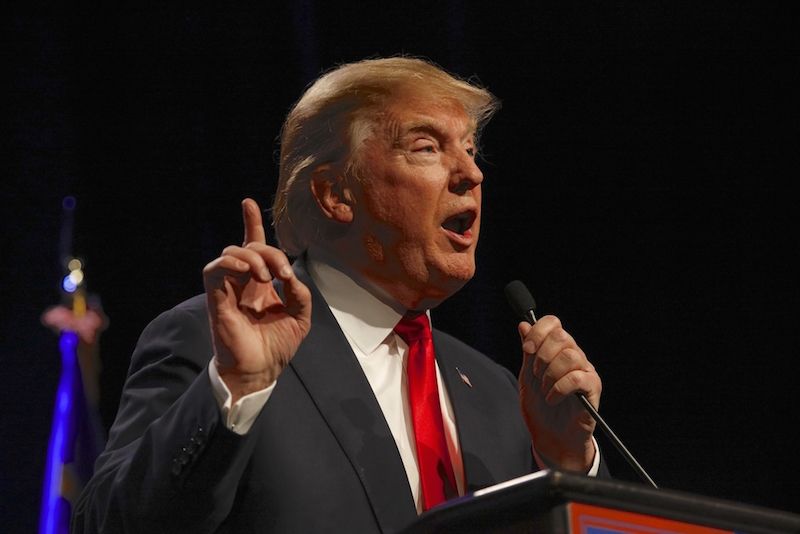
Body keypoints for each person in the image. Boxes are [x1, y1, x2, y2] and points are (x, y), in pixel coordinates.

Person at [72, 56, 604, 533]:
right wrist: (238, 387)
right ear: (334, 194)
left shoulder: (496, 392)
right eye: (427, 148)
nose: (471, 173)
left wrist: (564, 466)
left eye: (468, 150)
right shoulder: (211, 344)